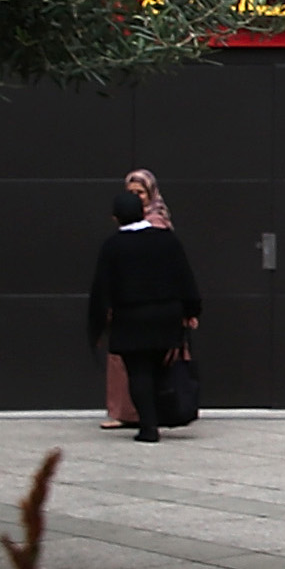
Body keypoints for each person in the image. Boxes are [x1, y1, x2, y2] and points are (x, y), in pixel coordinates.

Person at [88, 188, 200, 442]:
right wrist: (191, 311)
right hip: (166, 316)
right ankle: (164, 414)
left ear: (116, 218)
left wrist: (97, 327)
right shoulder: (167, 240)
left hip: (131, 318)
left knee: (138, 372)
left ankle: (148, 427)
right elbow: (185, 278)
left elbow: (101, 289)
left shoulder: (113, 246)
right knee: (160, 369)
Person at [101, 169, 173, 428]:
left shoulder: (159, 227)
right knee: (130, 368)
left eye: (140, 192)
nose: (136, 198)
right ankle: (129, 413)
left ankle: (147, 417)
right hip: (137, 312)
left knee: (143, 368)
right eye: (131, 193)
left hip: (145, 311)